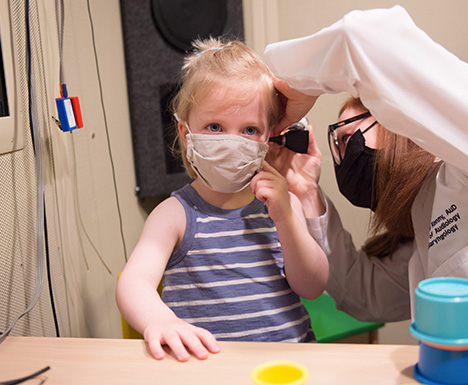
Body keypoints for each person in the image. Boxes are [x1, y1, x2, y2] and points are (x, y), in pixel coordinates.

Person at [263, 6, 468, 385]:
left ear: (399, 120)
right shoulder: (426, 229)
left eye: (348, 137)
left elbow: (365, 39)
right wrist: (307, 194)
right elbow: (363, 293)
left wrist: (296, 86)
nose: (344, 158)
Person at [116, 38, 328, 363]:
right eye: (215, 127)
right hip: (208, 367)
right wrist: (160, 321)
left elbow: (313, 287)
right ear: (187, 134)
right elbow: (134, 282)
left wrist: (285, 217)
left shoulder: (284, 205)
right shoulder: (174, 215)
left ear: (269, 136)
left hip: (290, 363)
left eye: (249, 130)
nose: (231, 142)